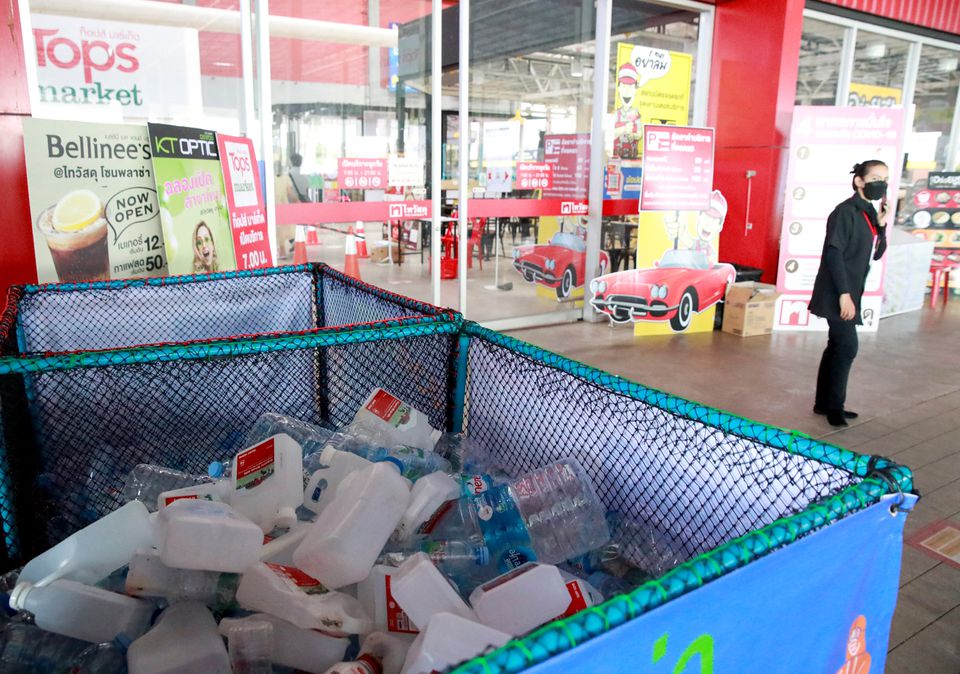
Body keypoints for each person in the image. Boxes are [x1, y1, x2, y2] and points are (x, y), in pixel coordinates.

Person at [808, 160, 889, 427]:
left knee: (836, 345)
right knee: (847, 347)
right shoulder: (845, 212)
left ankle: (824, 403)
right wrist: (844, 294)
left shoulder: (868, 212)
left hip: (850, 289)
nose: (881, 184)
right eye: (875, 178)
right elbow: (833, 253)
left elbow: (877, 253)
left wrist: (882, 225)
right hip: (837, 290)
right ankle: (835, 408)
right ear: (859, 181)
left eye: (885, 179)